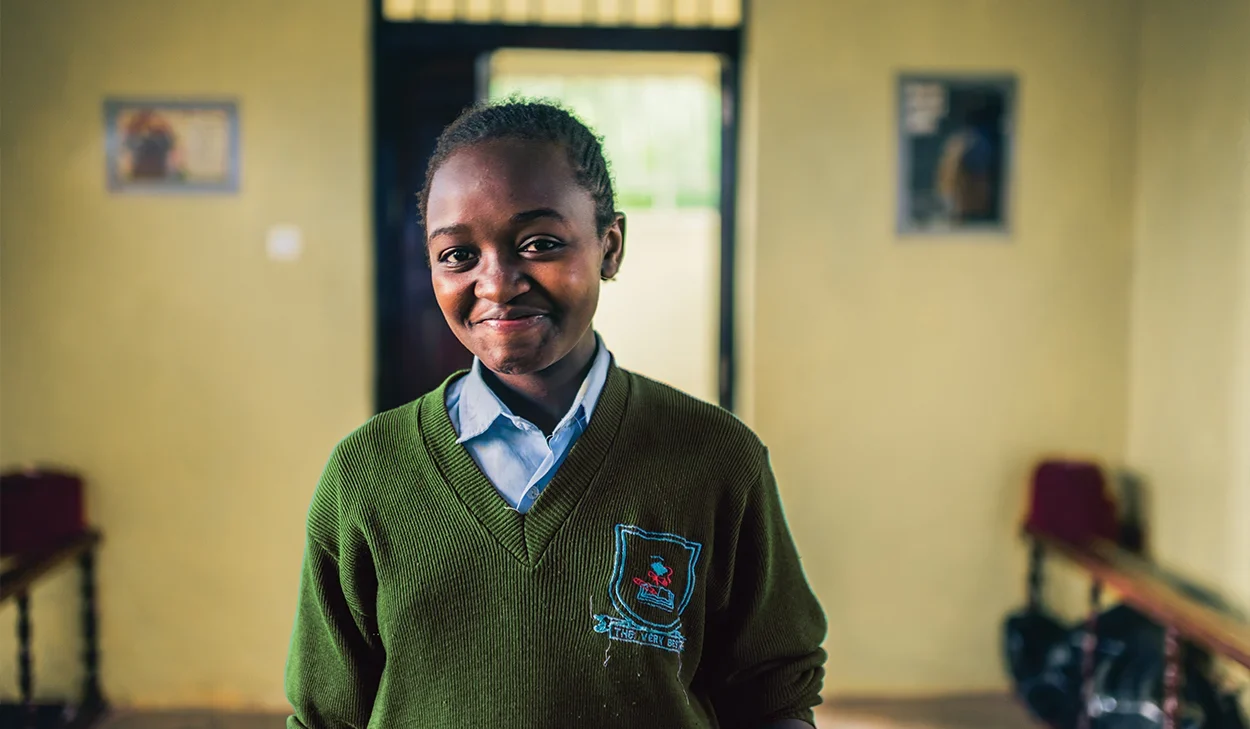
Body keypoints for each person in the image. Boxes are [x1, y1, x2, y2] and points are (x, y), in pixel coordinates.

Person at [285, 100, 827, 729]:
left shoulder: (714, 457)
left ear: (610, 246)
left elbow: (773, 695)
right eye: (458, 255)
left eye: (539, 243)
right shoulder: (366, 472)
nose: (497, 282)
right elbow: (326, 713)